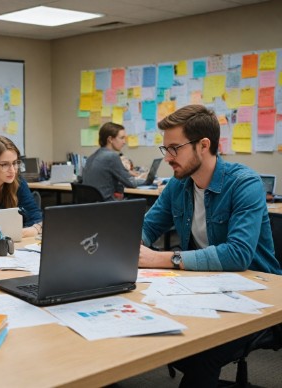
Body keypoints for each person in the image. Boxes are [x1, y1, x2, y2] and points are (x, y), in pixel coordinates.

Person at [139, 104, 281, 387]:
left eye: (174, 148)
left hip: (257, 297)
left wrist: (160, 259)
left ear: (204, 145)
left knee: (199, 355)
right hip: (202, 289)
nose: (168, 158)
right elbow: (146, 228)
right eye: (164, 149)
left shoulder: (244, 184)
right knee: (155, 336)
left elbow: (238, 254)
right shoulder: (179, 185)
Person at [82, 122, 143, 201]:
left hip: (91, 207)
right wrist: (147, 180)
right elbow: (131, 183)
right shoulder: (111, 156)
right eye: (121, 138)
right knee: (146, 201)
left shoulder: (91, 157)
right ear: (110, 139)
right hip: (107, 206)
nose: (124, 142)